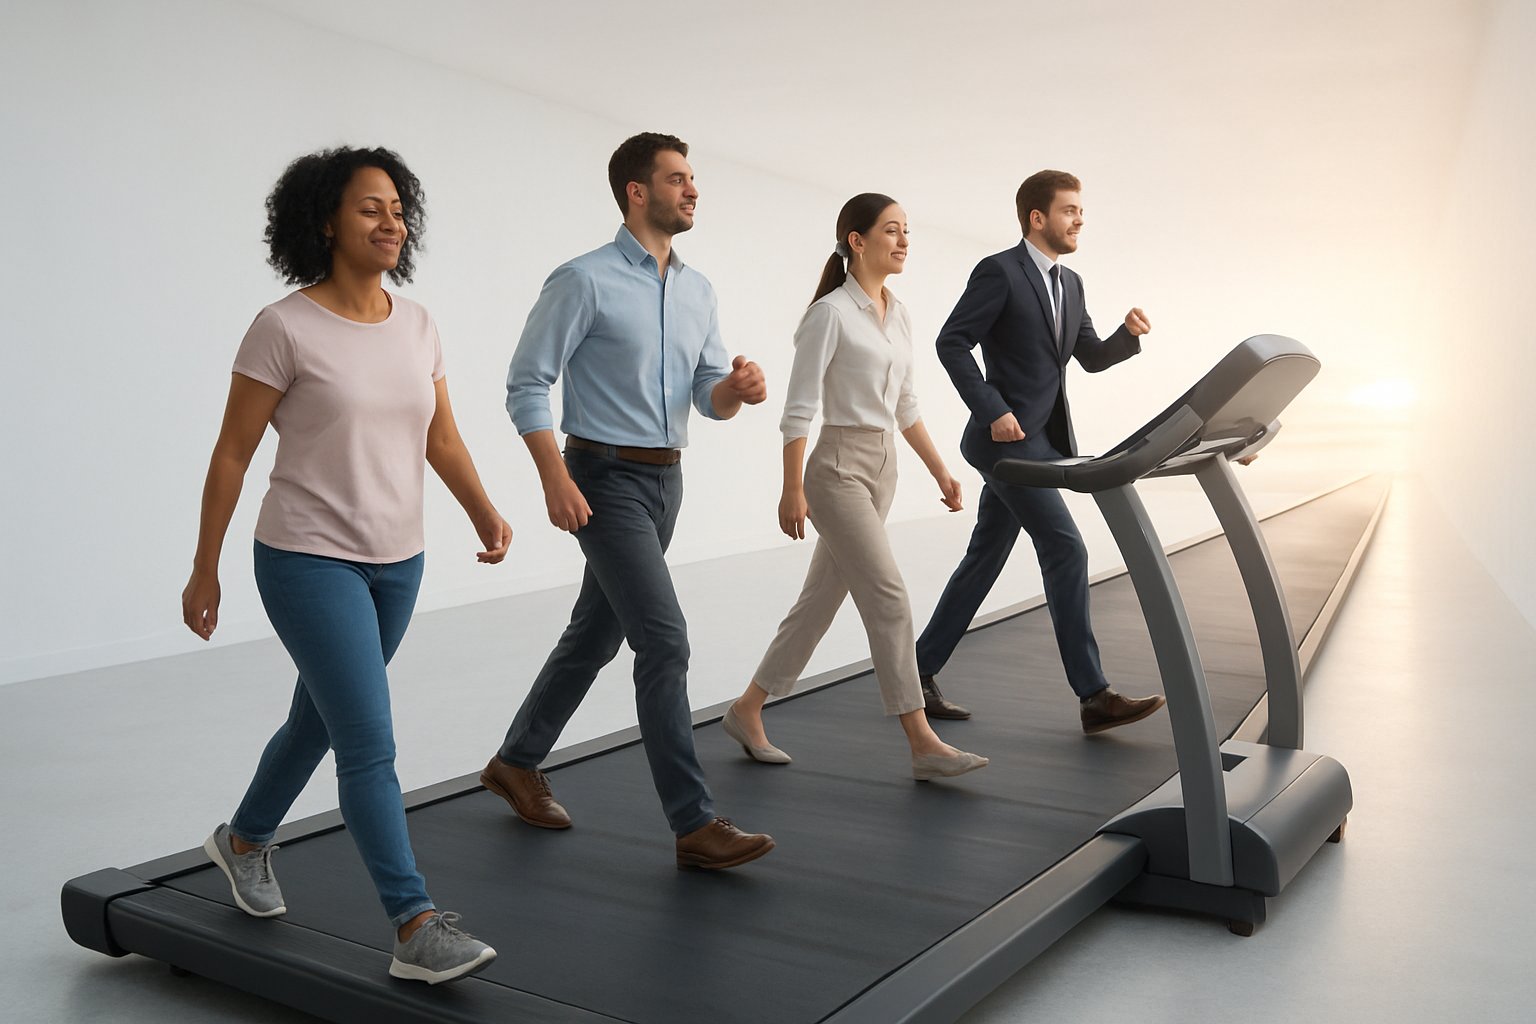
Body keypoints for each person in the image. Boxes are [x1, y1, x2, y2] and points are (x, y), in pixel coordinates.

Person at [180, 146, 508, 984]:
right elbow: (232, 452)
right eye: (370, 208)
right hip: (305, 557)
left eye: (397, 208)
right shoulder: (284, 327)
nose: (390, 221)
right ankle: (414, 925)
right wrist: (205, 567)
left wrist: (483, 509)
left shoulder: (418, 323)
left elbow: (440, 436)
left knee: (319, 721)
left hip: (399, 561)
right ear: (325, 222)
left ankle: (243, 842)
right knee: (368, 740)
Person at [482, 132, 775, 870]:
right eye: (677, 178)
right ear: (636, 192)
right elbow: (526, 383)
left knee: (596, 633)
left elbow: (707, 400)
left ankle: (515, 762)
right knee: (664, 640)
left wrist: (735, 391)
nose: (692, 189)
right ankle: (693, 823)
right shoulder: (582, 279)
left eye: (693, 178)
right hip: (601, 478)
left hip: (666, 481)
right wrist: (555, 478)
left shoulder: (699, 290)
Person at [723, 195, 988, 781]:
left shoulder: (900, 313)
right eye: (891, 230)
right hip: (837, 469)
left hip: (883, 467)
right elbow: (798, 410)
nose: (904, 241)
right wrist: (791, 488)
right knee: (889, 596)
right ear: (857, 240)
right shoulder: (830, 315)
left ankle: (747, 709)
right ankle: (921, 741)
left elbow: (907, 405)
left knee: (819, 601)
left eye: (907, 231)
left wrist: (940, 470)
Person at [915, 170, 1169, 735]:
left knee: (985, 556)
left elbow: (1091, 357)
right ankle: (1094, 695)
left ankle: (916, 670)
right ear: (1037, 217)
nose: (1080, 220)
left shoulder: (1071, 283)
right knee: (1065, 547)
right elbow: (951, 341)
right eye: (1069, 210)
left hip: (1042, 444)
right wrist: (992, 408)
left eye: (1081, 211)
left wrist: (1128, 336)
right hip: (1004, 444)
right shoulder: (1000, 271)